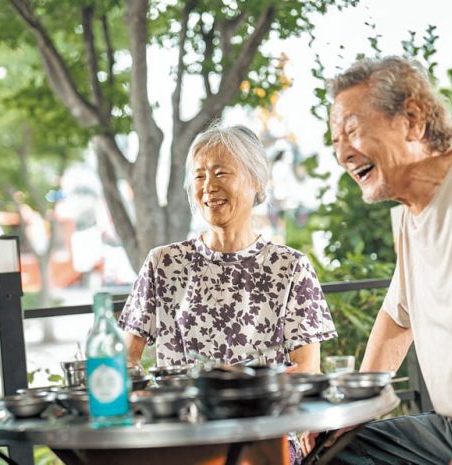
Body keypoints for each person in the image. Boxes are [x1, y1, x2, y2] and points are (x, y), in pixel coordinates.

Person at [301, 56, 452, 465]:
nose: (342, 153)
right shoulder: (413, 220)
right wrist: (357, 407)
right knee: (334, 453)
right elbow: (398, 318)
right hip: (450, 428)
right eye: (335, 140)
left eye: (352, 130)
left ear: (412, 118)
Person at [118, 124, 337, 464]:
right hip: (181, 437)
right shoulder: (163, 263)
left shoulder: (290, 267)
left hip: (263, 437)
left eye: (221, 173)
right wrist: (143, 396)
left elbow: (306, 370)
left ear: (255, 182)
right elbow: (125, 359)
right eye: (199, 176)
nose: (208, 187)